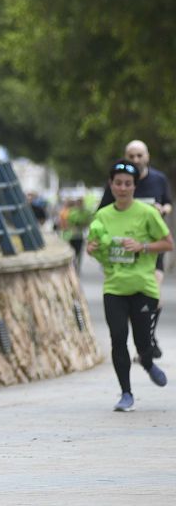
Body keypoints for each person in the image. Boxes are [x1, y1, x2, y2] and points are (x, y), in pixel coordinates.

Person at [86, 160, 172, 411]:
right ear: (111, 185)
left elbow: (168, 243)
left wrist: (142, 246)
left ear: (134, 186)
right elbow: (98, 249)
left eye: (127, 184)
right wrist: (92, 250)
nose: (122, 188)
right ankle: (126, 393)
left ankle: (147, 361)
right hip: (114, 288)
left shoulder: (148, 214)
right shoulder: (102, 216)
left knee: (142, 342)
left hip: (143, 286)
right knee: (118, 338)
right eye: (118, 183)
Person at [98, 139, 172, 358]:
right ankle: (144, 339)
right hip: (123, 252)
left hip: (151, 246)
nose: (136, 160)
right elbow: (101, 212)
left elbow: (168, 202)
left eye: (140, 155)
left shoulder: (159, 179)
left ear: (147, 156)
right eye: (132, 156)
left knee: (154, 295)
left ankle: (148, 339)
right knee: (131, 301)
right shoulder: (118, 181)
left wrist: (161, 209)